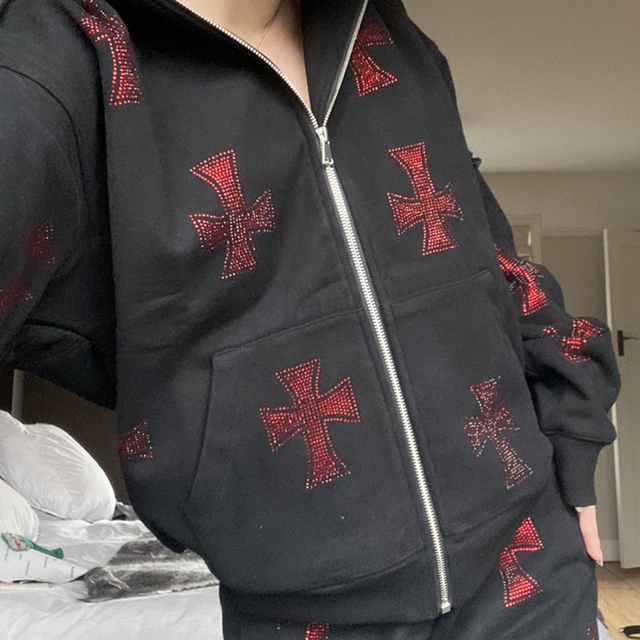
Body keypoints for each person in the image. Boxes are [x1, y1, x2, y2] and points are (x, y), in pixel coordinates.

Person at [0, 0, 620, 637]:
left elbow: (492, 259)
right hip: (302, 612)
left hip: (532, 573)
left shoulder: (385, 33)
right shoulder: (54, 61)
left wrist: (572, 425)